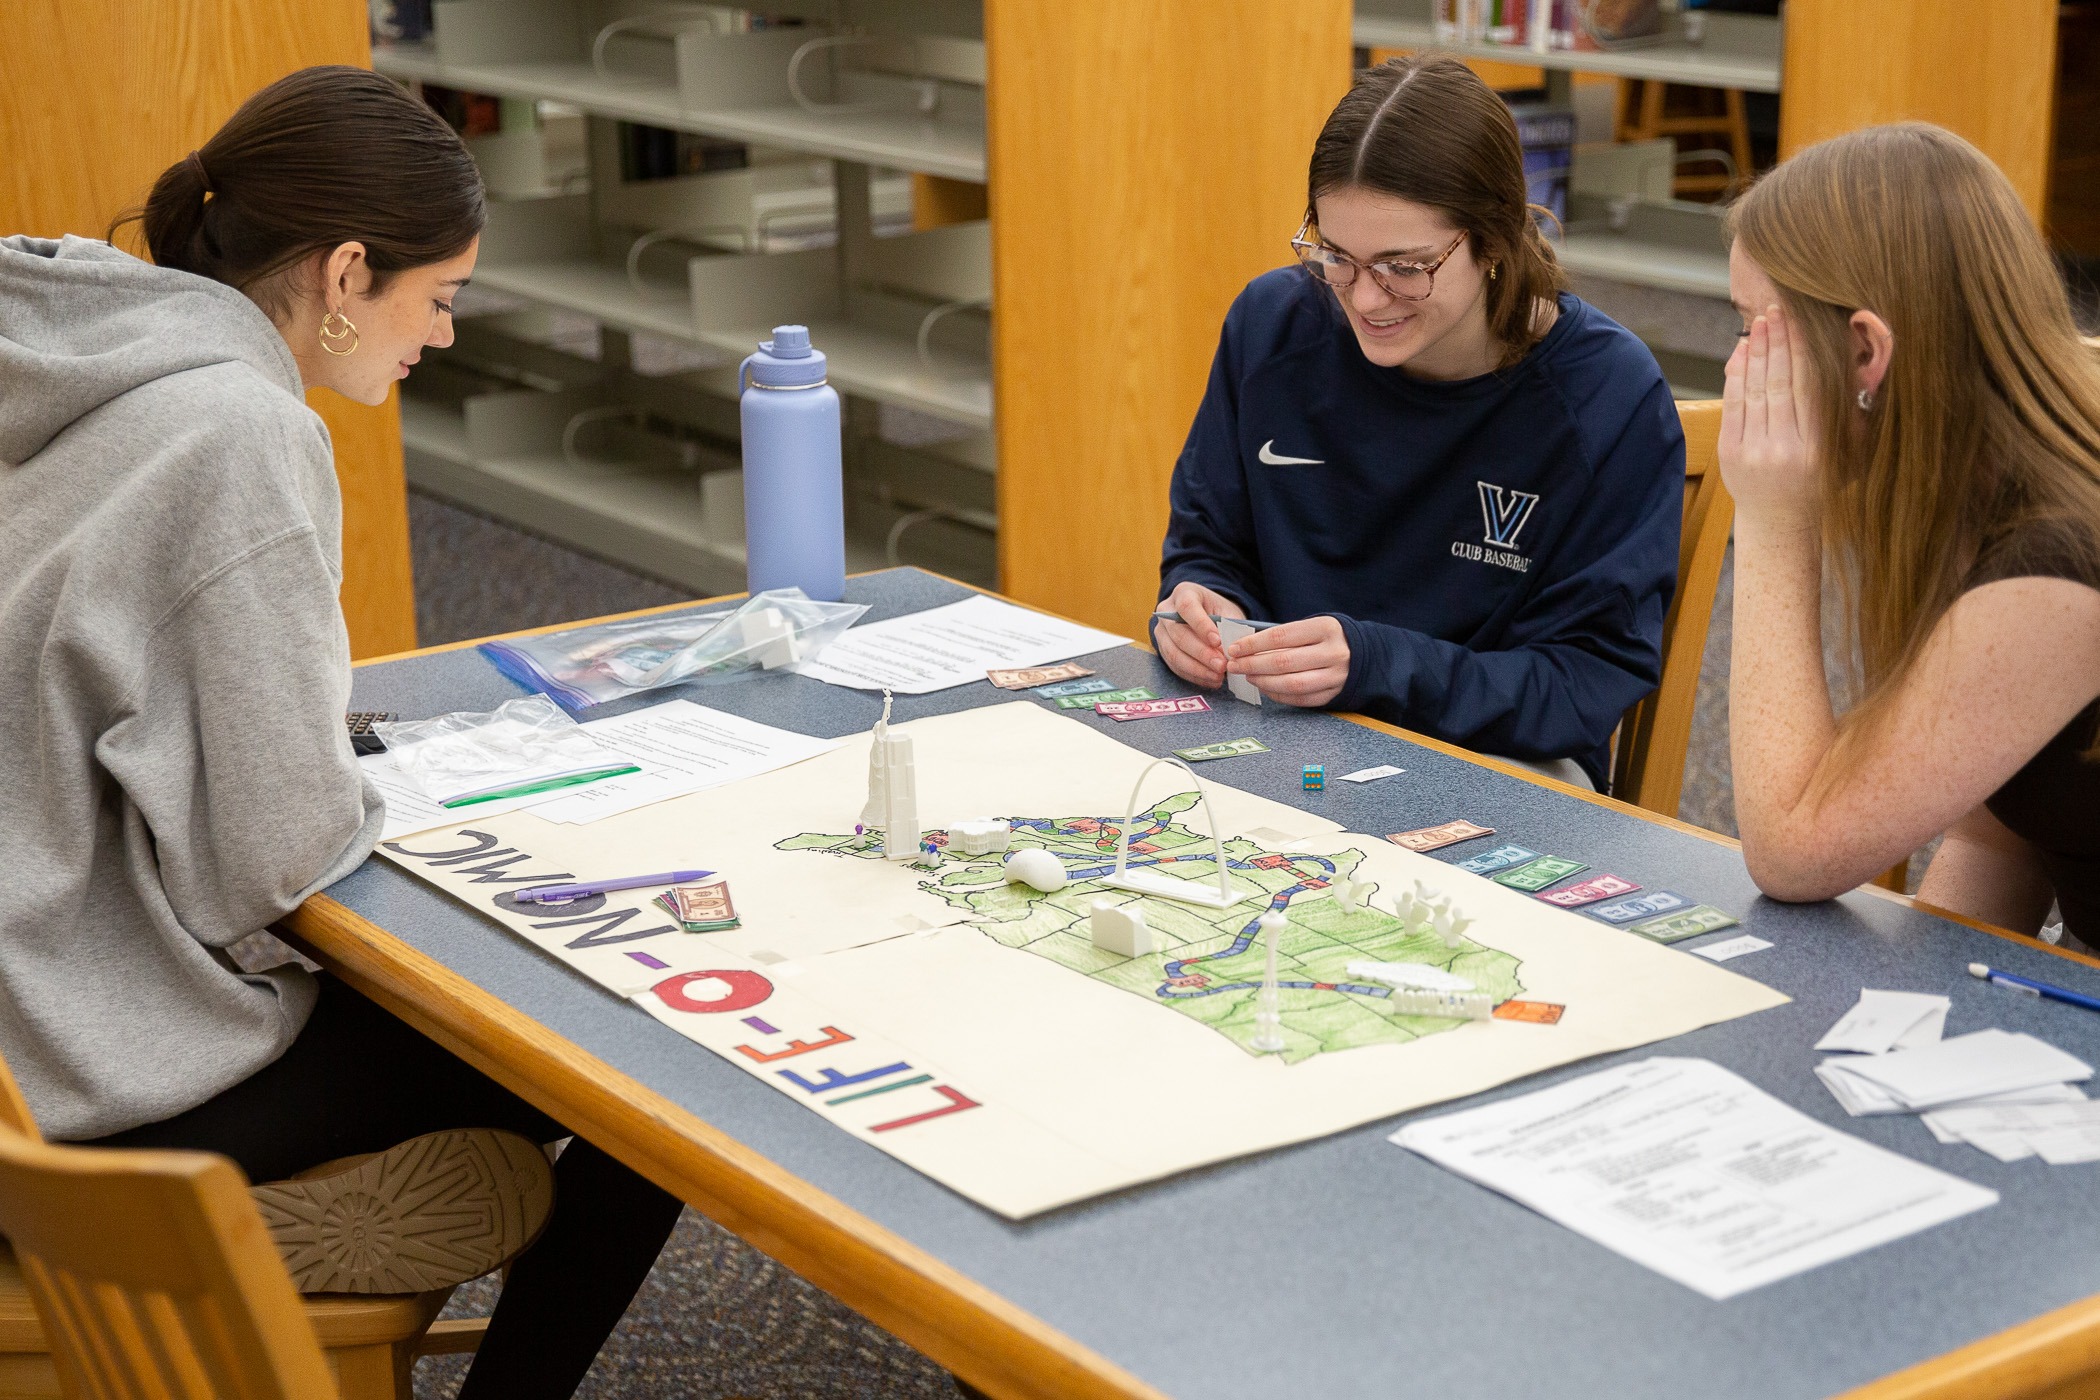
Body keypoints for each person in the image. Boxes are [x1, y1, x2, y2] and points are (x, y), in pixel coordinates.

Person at [0, 67, 680, 1397]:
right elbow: (273, 860)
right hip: (92, 1071)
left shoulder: (90, 365)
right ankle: (245, 1233)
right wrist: (370, 783)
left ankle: (267, 1221)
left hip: (20, 1020)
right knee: (644, 1072)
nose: (440, 337)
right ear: (347, 273)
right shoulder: (245, 431)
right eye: (438, 299)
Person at [1155, 55, 1684, 791]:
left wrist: (1375, 666)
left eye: (1405, 265)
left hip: (1494, 760)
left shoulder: (1607, 396)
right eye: (1336, 256)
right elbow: (1208, 547)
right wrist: (1196, 607)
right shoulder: (1271, 326)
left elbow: (1580, 688)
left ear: (1495, 241)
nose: (1367, 300)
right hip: (1281, 738)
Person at [1720, 122, 2100, 943]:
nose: (1739, 367)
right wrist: (1913, 1014)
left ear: (1865, 351)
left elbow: (1791, 850)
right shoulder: (1986, 481)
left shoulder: (2056, 560)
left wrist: (1771, 517)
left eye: (1757, 331)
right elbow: (2002, 830)